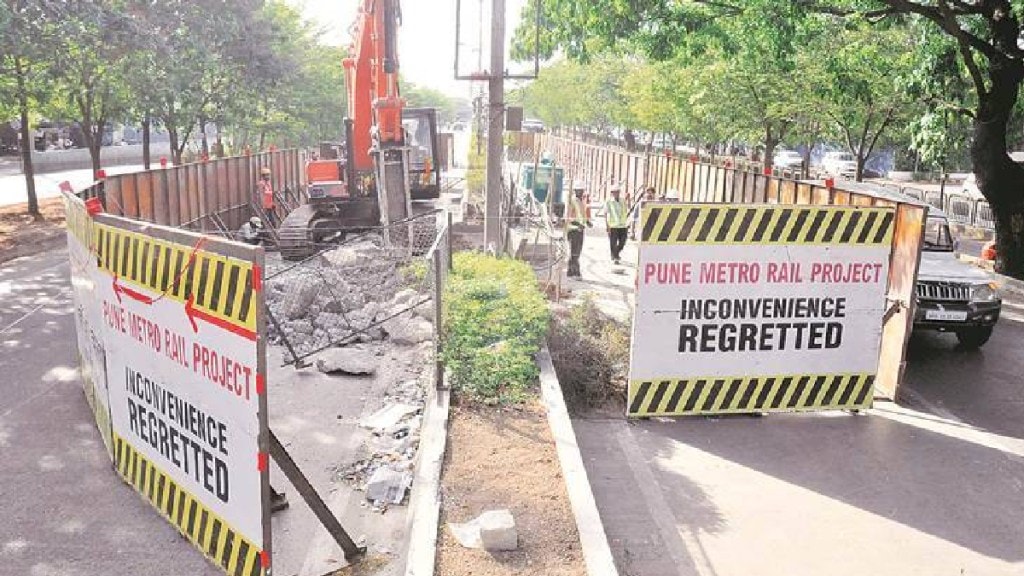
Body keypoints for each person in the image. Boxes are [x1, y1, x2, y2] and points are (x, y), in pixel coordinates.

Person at [565, 181, 591, 278]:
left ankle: (571, 272)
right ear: (575, 191)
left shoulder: (580, 201)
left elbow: (581, 215)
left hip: (579, 229)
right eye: (578, 191)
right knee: (574, 252)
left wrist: (586, 222)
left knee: (577, 251)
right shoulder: (572, 200)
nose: (580, 192)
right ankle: (574, 272)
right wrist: (577, 224)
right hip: (573, 229)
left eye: (581, 191)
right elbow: (568, 216)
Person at [604, 185, 629, 264]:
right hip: (613, 225)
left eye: (617, 192)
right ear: (612, 193)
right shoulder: (609, 202)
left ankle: (616, 253)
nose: (616, 194)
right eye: (614, 192)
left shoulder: (623, 200)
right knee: (613, 242)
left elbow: (626, 210)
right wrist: (607, 225)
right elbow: (606, 213)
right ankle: (615, 256)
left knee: (623, 241)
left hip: (623, 225)